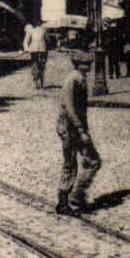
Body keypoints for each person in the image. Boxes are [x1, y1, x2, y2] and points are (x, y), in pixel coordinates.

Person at [55, 50, 101, 216]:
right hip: (70, 128)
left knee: (72, 163)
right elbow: (70, 108)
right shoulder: (74, 79)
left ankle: (66, 201)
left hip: (71, 127)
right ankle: (73, 200)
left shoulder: (77, 78)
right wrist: (82, 131)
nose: (88, 66)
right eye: (85, 64)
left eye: (89, 64)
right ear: (78, 64)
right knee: (91, 161)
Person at [23, 21, 49, 90]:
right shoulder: (31, 30)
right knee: (35, 66)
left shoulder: (44, 29)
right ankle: (36, 82)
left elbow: (48, 39)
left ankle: (40, 82)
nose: (38, 24)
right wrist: (27, 48)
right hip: (34, 50)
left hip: (42, 50)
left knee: (42, 66)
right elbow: (26, 41)